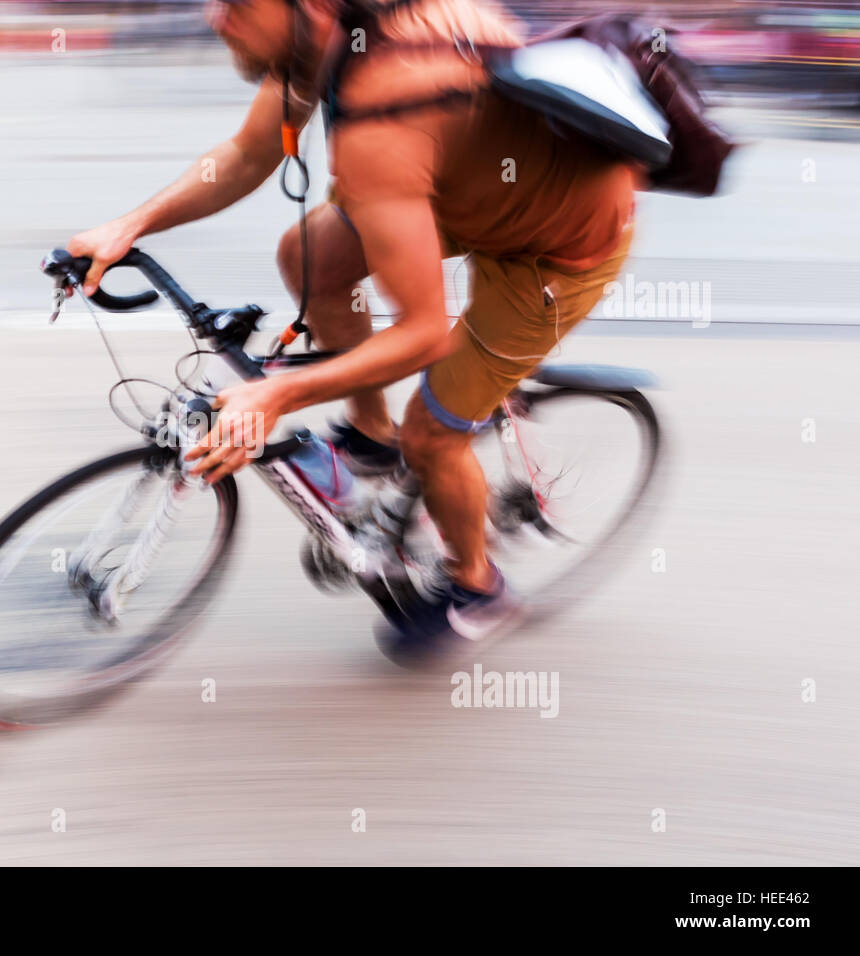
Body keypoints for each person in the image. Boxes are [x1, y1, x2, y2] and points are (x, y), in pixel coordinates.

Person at [66, 0, 638, 647]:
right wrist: (128, 228)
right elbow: (250, 154)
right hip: (457, 185)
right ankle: (371, 434)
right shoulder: (328, 38)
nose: (213, 17)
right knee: (307, 255)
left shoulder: (384, 113)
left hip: (551, 251)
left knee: (433, 434)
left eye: (236, 3)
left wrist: (278, 391)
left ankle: (478, 586)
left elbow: (424, 333)